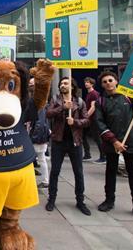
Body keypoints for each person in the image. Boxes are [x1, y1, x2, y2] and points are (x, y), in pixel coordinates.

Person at [94, 70, 133, 223]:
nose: (108, 83)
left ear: (116, 81)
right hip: (111, 142)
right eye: (105, 81)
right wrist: (114, 141)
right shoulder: (100, 101)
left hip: (131, 140)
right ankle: (109, 200)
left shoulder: (129, 96)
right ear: (102, 85)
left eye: (110, 80)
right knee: (110, 171)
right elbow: (100, 123)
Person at [45, 77, 91, 215]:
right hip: (58, 141)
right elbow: (48, 114)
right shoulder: (55, 99)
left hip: (75, 142)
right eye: (61, 84)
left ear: (72, 87)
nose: (63, 86)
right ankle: (51, 199)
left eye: (66, 83)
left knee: (78, 172)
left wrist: (75, 122)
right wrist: (62, 107)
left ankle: (80, 201)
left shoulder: (80, 102)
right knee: (54, 172)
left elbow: (87, 120)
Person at [27, 78, 50, 188]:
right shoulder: (35, 99)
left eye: (32, 84)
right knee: (40, 158)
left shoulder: (38, 101)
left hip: (37, 136)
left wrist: (33, 137)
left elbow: (39, 122)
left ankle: (44, 180)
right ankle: (44, 180)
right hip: (37, 134)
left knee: (38, 158)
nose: (30, 85)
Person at [82, 77, 106, 164]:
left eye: (88, 82)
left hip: (94, 119)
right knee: (83, 135)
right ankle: (87, 154)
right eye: (85, 82)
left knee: (97, 138)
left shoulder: (94, 94)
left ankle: (103, 157)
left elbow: (93, 107)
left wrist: (86, 116)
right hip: (90, 119)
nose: (86, 83)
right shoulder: (89, 94)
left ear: (92, 84)